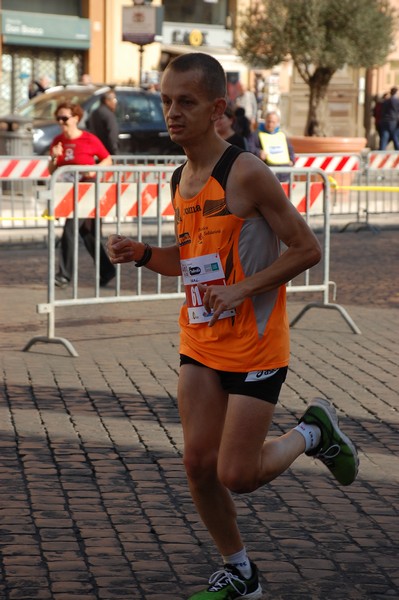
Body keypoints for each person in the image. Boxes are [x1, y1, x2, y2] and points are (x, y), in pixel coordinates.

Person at [107, 52, 359, 600]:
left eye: (186, 103)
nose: (172, 113)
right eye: (166, 102)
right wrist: (145, 253)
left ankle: (314, 431)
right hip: (200, 337)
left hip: (254, 345)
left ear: (218, 108)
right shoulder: (181, 177)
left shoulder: (245, 171)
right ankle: (241, 572)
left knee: (237, 475)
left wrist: (243, 290)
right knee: (199, 465)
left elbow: (306, 249)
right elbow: (194, 257)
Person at [48, 101, 116, 288]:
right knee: (88, 233)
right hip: (68, 192)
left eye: (65, 118)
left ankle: (64, 275)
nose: (61, 122)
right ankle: (107, 270)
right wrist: (54, 157)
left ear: (76, 118)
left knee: (70, 230)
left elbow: (107, 159)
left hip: (86, 190)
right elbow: (51, 170)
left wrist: (94, 170)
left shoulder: (89, 139)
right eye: (58, 118)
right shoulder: (57, 141)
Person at [258, 111, 296, 182]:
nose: (270, 124)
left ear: (277, 123)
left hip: (284, 174)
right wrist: (259, 153)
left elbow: (290, 149)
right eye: (269, 121)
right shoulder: (256, 135)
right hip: (268, 174)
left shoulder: (282, 135)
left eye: (273, 122)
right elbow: (250, 148)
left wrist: (292, 160)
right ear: (265, 121)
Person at [88, 90, 119, 155]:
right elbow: (112, 135)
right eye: (114, 99)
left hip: (97, 151)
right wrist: (115, 152)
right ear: (107, 101)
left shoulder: (95, 112)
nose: (116, 102)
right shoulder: (108, 115)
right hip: (107, 152)